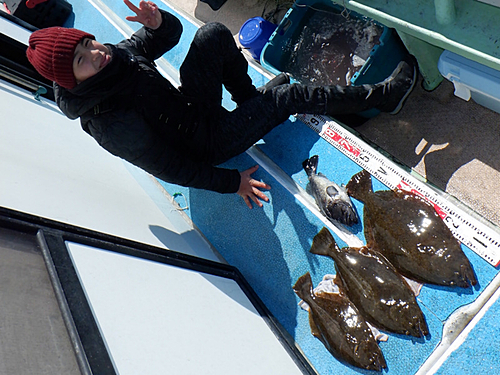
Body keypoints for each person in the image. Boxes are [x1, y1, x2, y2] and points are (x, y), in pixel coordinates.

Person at [26, 0, 417, 209]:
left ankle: (251, 103)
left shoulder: (114, 57)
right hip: (207, 146)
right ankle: (383, 97)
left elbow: (166, 39)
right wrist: (232, 183)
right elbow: (170, 169)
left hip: (194, 111)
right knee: (288, 95)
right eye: (81, 60)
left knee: (212, 34)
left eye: (87, 43)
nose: (95, 53)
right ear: (70, 79)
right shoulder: (109, 123)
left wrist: (158, 23)